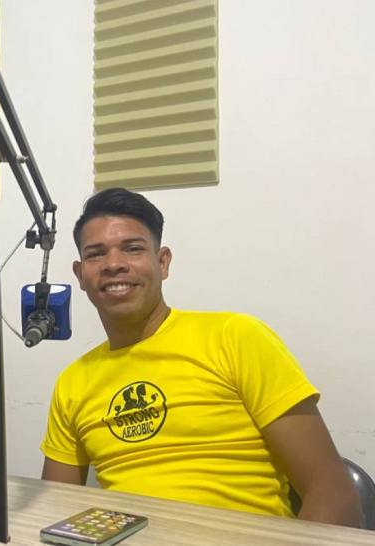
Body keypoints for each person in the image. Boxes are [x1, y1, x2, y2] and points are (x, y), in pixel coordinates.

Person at [40, 188, 361, 527]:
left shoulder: (235, 338)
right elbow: (54, 511)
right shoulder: (72, 383)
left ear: (162, 262)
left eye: (133, 249)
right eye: (96, 254)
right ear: (80, 275)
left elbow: (334, 497)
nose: (114, 264)